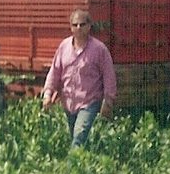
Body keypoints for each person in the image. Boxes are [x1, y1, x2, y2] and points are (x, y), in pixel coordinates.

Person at [42, 9, 117, 149]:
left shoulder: (99, 49)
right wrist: (47, 94)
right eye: (75, 25)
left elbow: (109, 76)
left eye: (82, 24)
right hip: (69, 103)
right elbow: (55, 72)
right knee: (76, 136)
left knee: (79, 135)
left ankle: (72, 162)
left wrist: (108, 101)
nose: (78, 28)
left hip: (89, 102)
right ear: (70, 27)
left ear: (89, 26)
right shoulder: (64, 47)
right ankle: (85, 158)